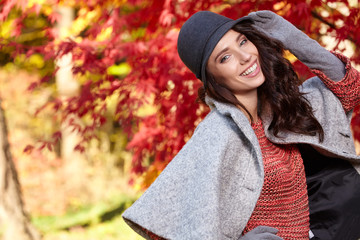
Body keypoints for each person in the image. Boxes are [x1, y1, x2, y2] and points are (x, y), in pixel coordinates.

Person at [122, 10, 360, 240]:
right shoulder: (218, 132)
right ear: (212, 77)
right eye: (225, 57)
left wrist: (288, 35)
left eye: (243, 42)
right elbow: (162, 220)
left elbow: (350, 87)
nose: (245, 56)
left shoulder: (280, 109)